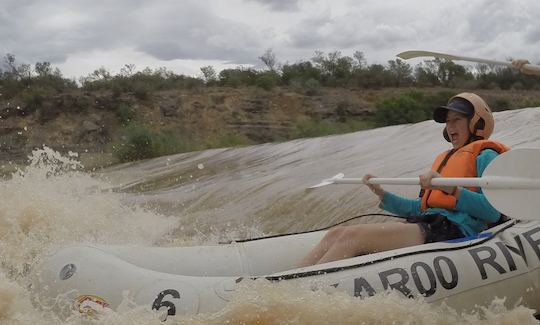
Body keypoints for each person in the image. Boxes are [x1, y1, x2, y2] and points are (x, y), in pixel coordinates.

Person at [299, 92, 509, 267]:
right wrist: (382, 194)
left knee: (351, 237)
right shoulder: (445, 159)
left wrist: (452, 189)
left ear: (476, 123)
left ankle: (301, 294)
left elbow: (491, 211)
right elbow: (420, 209)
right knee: (336, 234)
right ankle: (285, 284)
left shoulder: (486, 156)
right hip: (434, 224)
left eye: (457, 120)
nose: (450, 127)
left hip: (456, 231)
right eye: (447, 122)